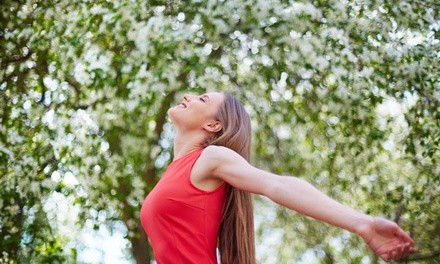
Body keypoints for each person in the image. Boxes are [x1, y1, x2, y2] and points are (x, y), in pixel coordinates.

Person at [140, 91, 416, 264]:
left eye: (202, 99)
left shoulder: (210, 158)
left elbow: (277, 184)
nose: (187, 96)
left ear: (213, 125)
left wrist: (363, 223)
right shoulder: (174, 173)